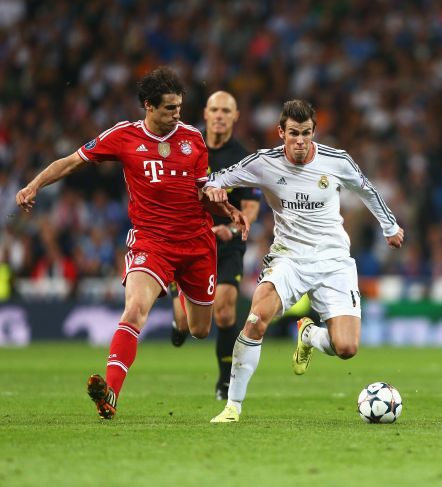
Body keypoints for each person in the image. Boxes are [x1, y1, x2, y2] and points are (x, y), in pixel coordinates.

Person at [15, 67, 250, 420]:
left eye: (180, 108)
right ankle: (110, 393)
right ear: (148, 106)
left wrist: (225, 205)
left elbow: (202, 191)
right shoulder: (124, 136)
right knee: (134, 311)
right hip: (151, 241)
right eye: (170, 108)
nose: (177, 115)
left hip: (196, 243)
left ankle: (178, 294)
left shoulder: (193, 140)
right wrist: (34, 185)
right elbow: (71, 163)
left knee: (200, 329)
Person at [202, 99, 404, 423]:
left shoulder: (336, 161)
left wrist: (389, 226)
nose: (300, 141)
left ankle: (308, 335)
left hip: (334, 258)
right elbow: (215, 180)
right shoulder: (263, 163)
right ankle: (232, 406)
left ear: (314, 131)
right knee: (255, 319)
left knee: (347, 348)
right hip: (289, 257)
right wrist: (216, 195)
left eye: (306, 133)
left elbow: (366, 189)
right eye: (293, 133)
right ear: (280, 131)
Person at [169, 91, 261, 401]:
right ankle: (177, 320)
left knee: (223, 312)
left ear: (236, 116)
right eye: (214, 109)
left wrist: (233, 231)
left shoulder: (244, 158)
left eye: (226, 110)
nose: (220, 115)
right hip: (190, 240)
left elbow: (250, 206)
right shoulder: (187, 147)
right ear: (205, 114)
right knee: (187, 321)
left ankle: (225, 380)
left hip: (227, 245)